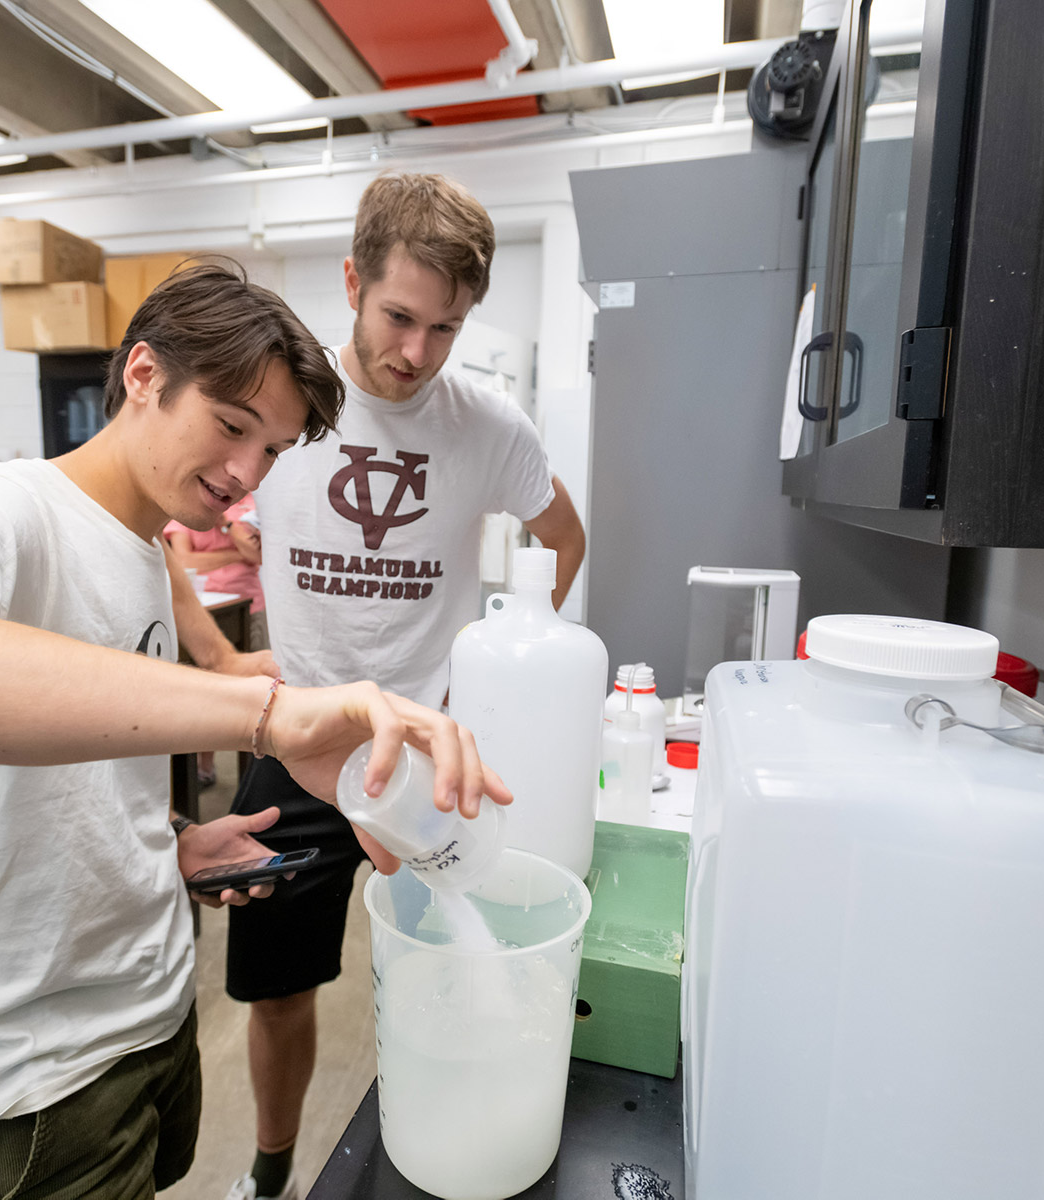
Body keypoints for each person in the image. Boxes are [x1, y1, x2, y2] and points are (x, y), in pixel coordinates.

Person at [0, 260, 510, 1200]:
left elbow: (64, 767)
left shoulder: (145, 553)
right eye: (233, 426)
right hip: (22, 1075)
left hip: (145, 1016)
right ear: (145, 374)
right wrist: (266, 718)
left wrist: (168, 844)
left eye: (273, 450)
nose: (246, 475)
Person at [224, 173, 588, 1200]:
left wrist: (528, 656)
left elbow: (562, 536)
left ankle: (453, 1136)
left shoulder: (489, 429)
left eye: (445, 327)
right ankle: (267, 1173)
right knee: (278, 989)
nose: (415, 354)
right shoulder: (282, 412)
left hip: (424, 760)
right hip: (295, 748)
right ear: (350, 280)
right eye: (396, 317)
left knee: (456, 968)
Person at [166, 495, 268, 785]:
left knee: (256, 695)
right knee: (201, 692)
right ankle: (205, 766)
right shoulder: (188, 504)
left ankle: (255, 771)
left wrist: (228, 525)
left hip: (249, 607)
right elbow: (184, 560)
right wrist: (237, 553)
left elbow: (257, 553)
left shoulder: (248, 505)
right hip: (201, 609)